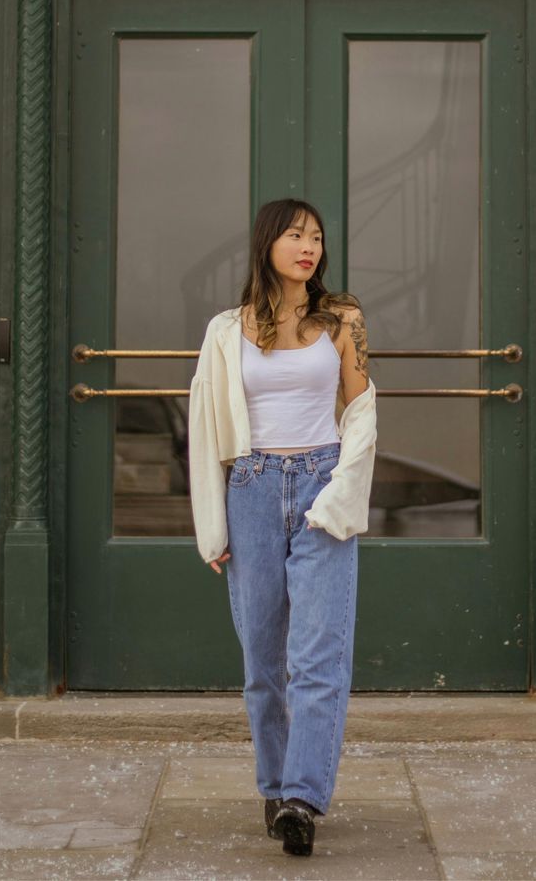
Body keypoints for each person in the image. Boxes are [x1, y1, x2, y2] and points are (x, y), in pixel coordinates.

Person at [187, 198, 378, 857]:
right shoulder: (225, 331)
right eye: (296, 235)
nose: (309, 247)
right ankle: (273, 784)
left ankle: (302, 796)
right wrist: (213, 527)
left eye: (318, 237)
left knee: (318, 655)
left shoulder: (342, 320)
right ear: (268, 242)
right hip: (252, 489)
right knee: (263, 662)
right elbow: (206, 432)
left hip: (324, 482)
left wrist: (343, 492)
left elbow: (360, 410)